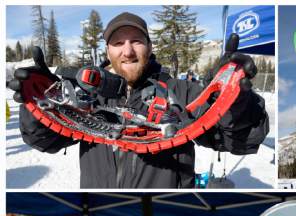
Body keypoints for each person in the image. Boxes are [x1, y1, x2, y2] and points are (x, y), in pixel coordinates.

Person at [9, 12, 269, 188]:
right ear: (108, 50)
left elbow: (239, 140)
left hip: (164, 213)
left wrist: (237, 102)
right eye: (118, 43)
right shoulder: (86, 93)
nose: (128, 51)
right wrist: (40, 101)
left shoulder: (181, 92)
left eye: (136, 41)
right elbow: (43, 139)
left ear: (149, 46)